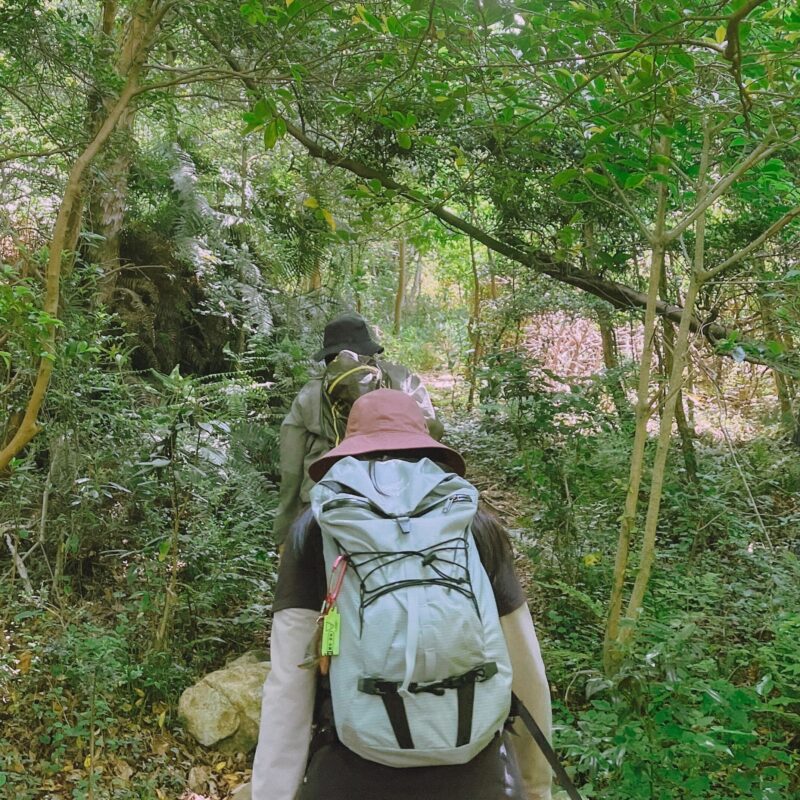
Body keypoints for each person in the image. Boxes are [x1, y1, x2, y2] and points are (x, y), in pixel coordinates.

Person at [252, 389, 553, 800]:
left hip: (355, 773)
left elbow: (289, 681)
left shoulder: (316, 529)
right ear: (427, 450)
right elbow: (527, 670)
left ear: (349, 451)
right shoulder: (475, 524)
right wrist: (535, 786)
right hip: (480, 776)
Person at [272, 312, 443, 547]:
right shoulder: (403, 379)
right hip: (400, 489)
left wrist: (285, 531)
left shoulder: (309, 393)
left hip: (324, 493)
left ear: (327, 356)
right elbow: (431, 431)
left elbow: (291, 466)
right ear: (371, 351)